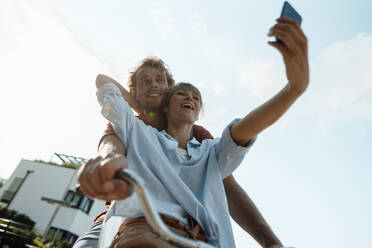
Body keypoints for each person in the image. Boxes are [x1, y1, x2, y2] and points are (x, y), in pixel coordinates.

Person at [76, 16, 308, 248]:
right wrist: (144, 117)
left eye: (160, 81)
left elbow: (230, 173)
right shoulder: (134, 127)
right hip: (132, 220)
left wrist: (270, 242)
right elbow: (110, 139)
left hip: (195, 233)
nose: (154, 84)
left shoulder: (202, 142)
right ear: (134, 92)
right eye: (145, 82)